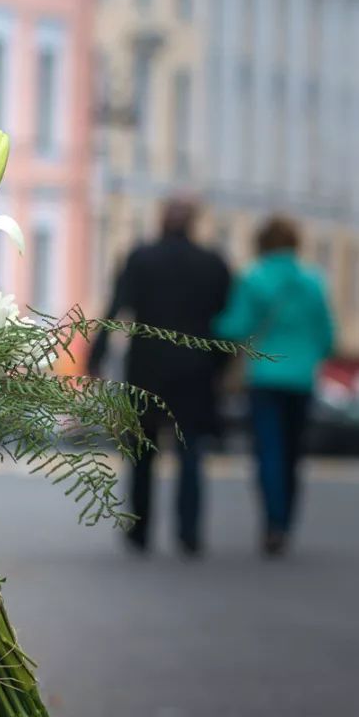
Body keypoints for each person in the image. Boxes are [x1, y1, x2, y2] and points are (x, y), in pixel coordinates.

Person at [89, 197, 232, 555]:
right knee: (191, 454)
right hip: (196, 370)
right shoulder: (212, 263)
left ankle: (139, 531)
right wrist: (221, 366)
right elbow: (228, 322)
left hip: (146, 369)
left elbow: (117, 307)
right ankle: (189, 533)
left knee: (141, 452)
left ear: (161, 220)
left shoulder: (141, 258)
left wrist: (97, 355)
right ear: (193, 222)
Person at [214, 215, 336, 556]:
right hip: (302, 378)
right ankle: (285, 522)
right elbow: (328, 336)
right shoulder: (313, 282)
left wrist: (209, 325)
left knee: (268, 451)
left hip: (266, 376)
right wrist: (310, 355)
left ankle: (272, 521)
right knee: (293, 454)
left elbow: (235, 327)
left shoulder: (254, 279)